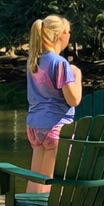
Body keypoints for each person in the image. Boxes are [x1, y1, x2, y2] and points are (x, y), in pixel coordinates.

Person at [25, 15, 83, 192]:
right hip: (55, 126)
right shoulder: (60, 63)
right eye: (69, 32)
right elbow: (74, 99)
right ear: (62, 34)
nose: (70, 35)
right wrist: (77, 75)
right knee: (50, 181)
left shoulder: (34, 60)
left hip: (34, 126)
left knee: (36, 178)